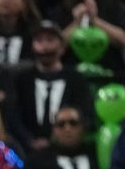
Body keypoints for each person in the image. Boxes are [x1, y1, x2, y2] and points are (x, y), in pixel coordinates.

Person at [13, 21, 89, 150]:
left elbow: (85, 113)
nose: (44, 47)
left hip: (67, 150)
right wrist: (29, 140)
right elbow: (14, 116)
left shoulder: (75, 79)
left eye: (50, 40)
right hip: (27, 150)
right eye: (39, 40)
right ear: (32, 46)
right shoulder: (22, 80)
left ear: (62, 46)